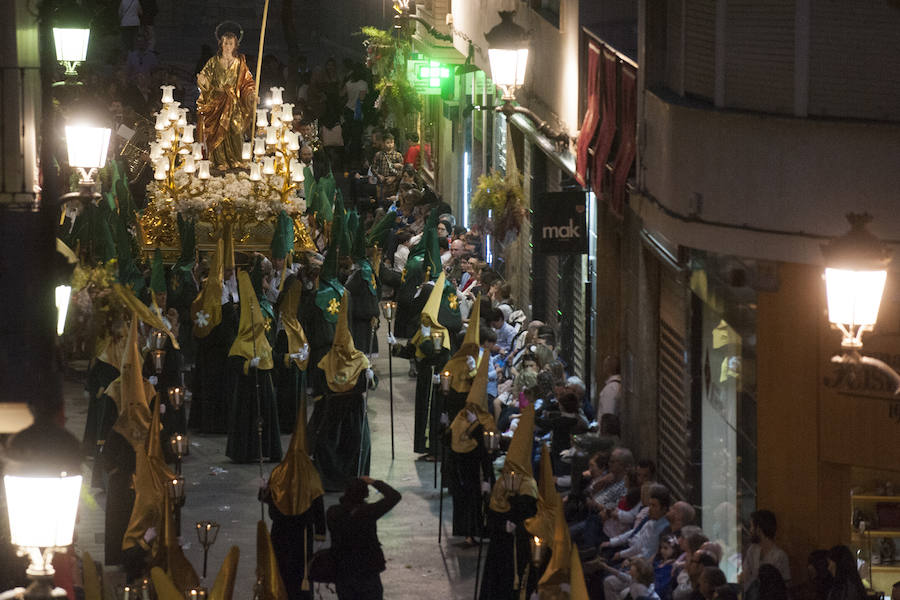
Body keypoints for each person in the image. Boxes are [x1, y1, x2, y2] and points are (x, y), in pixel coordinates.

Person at [327, 477, 401, 600]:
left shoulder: (332, 512)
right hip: (367, 569)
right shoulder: (368, 512)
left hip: (343, 570)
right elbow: (394, 496)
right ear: (365, 494)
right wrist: (374, 482)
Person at [196, 23, 256, 171]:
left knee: (235, 130)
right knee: (217, 132)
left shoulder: (240, 63)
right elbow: (205, 77)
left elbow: (247, 83)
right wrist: (202, 80)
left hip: (233, 103)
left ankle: (236, 158)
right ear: (221, 44)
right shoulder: (213, 62)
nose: (228, 46)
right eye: (225, 43)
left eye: (231, 43)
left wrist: (251, 94)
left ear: (235, 45)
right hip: (217, 101)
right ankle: (219, 160)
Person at [740, 510, 791, 592]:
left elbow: (784, 586)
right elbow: (745, 577)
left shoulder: (780, 556)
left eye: (752, 526)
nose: (750, 530)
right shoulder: (752, 550)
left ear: (759, 529)